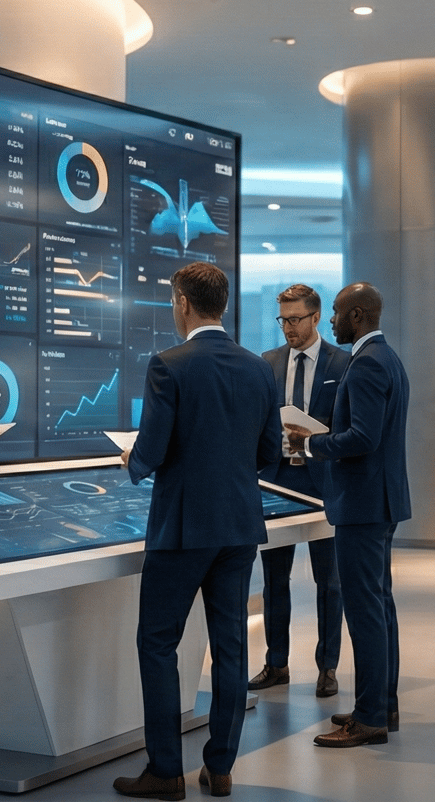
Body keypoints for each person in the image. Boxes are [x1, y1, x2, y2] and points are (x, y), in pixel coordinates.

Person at [113, 262, 281, 799]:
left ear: (182, 302)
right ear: (222, 304)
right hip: (238, 525)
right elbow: (269, 452)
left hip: (183, 527)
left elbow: (154, 449)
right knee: (230, 645)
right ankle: (221, 767)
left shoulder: (169, 364)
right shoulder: (259, 368)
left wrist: (132, 460)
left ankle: (165, 771)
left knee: (159, 644)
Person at [288, 282, 409, 749]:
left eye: (336, 313)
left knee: (365, 613)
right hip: (379, 502)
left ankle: (371, 716)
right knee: (380, 608)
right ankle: (383, 706)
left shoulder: (365, 365)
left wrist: (310, 443)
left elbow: (363, 437)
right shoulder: (388, 358)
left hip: (362, 506)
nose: (331, 321)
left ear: (357, 315)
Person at [250, 284, 348, 698]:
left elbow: (348, 426)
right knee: (275, 579)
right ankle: (277, 662)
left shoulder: (342, 364)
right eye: (282, 320)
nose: (288, 328)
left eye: (295, 320)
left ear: (315, 317)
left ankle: (327, 666)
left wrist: (313, 439)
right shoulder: (267, 363)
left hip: (324, 481)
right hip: (277, 482)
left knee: (330, 581)